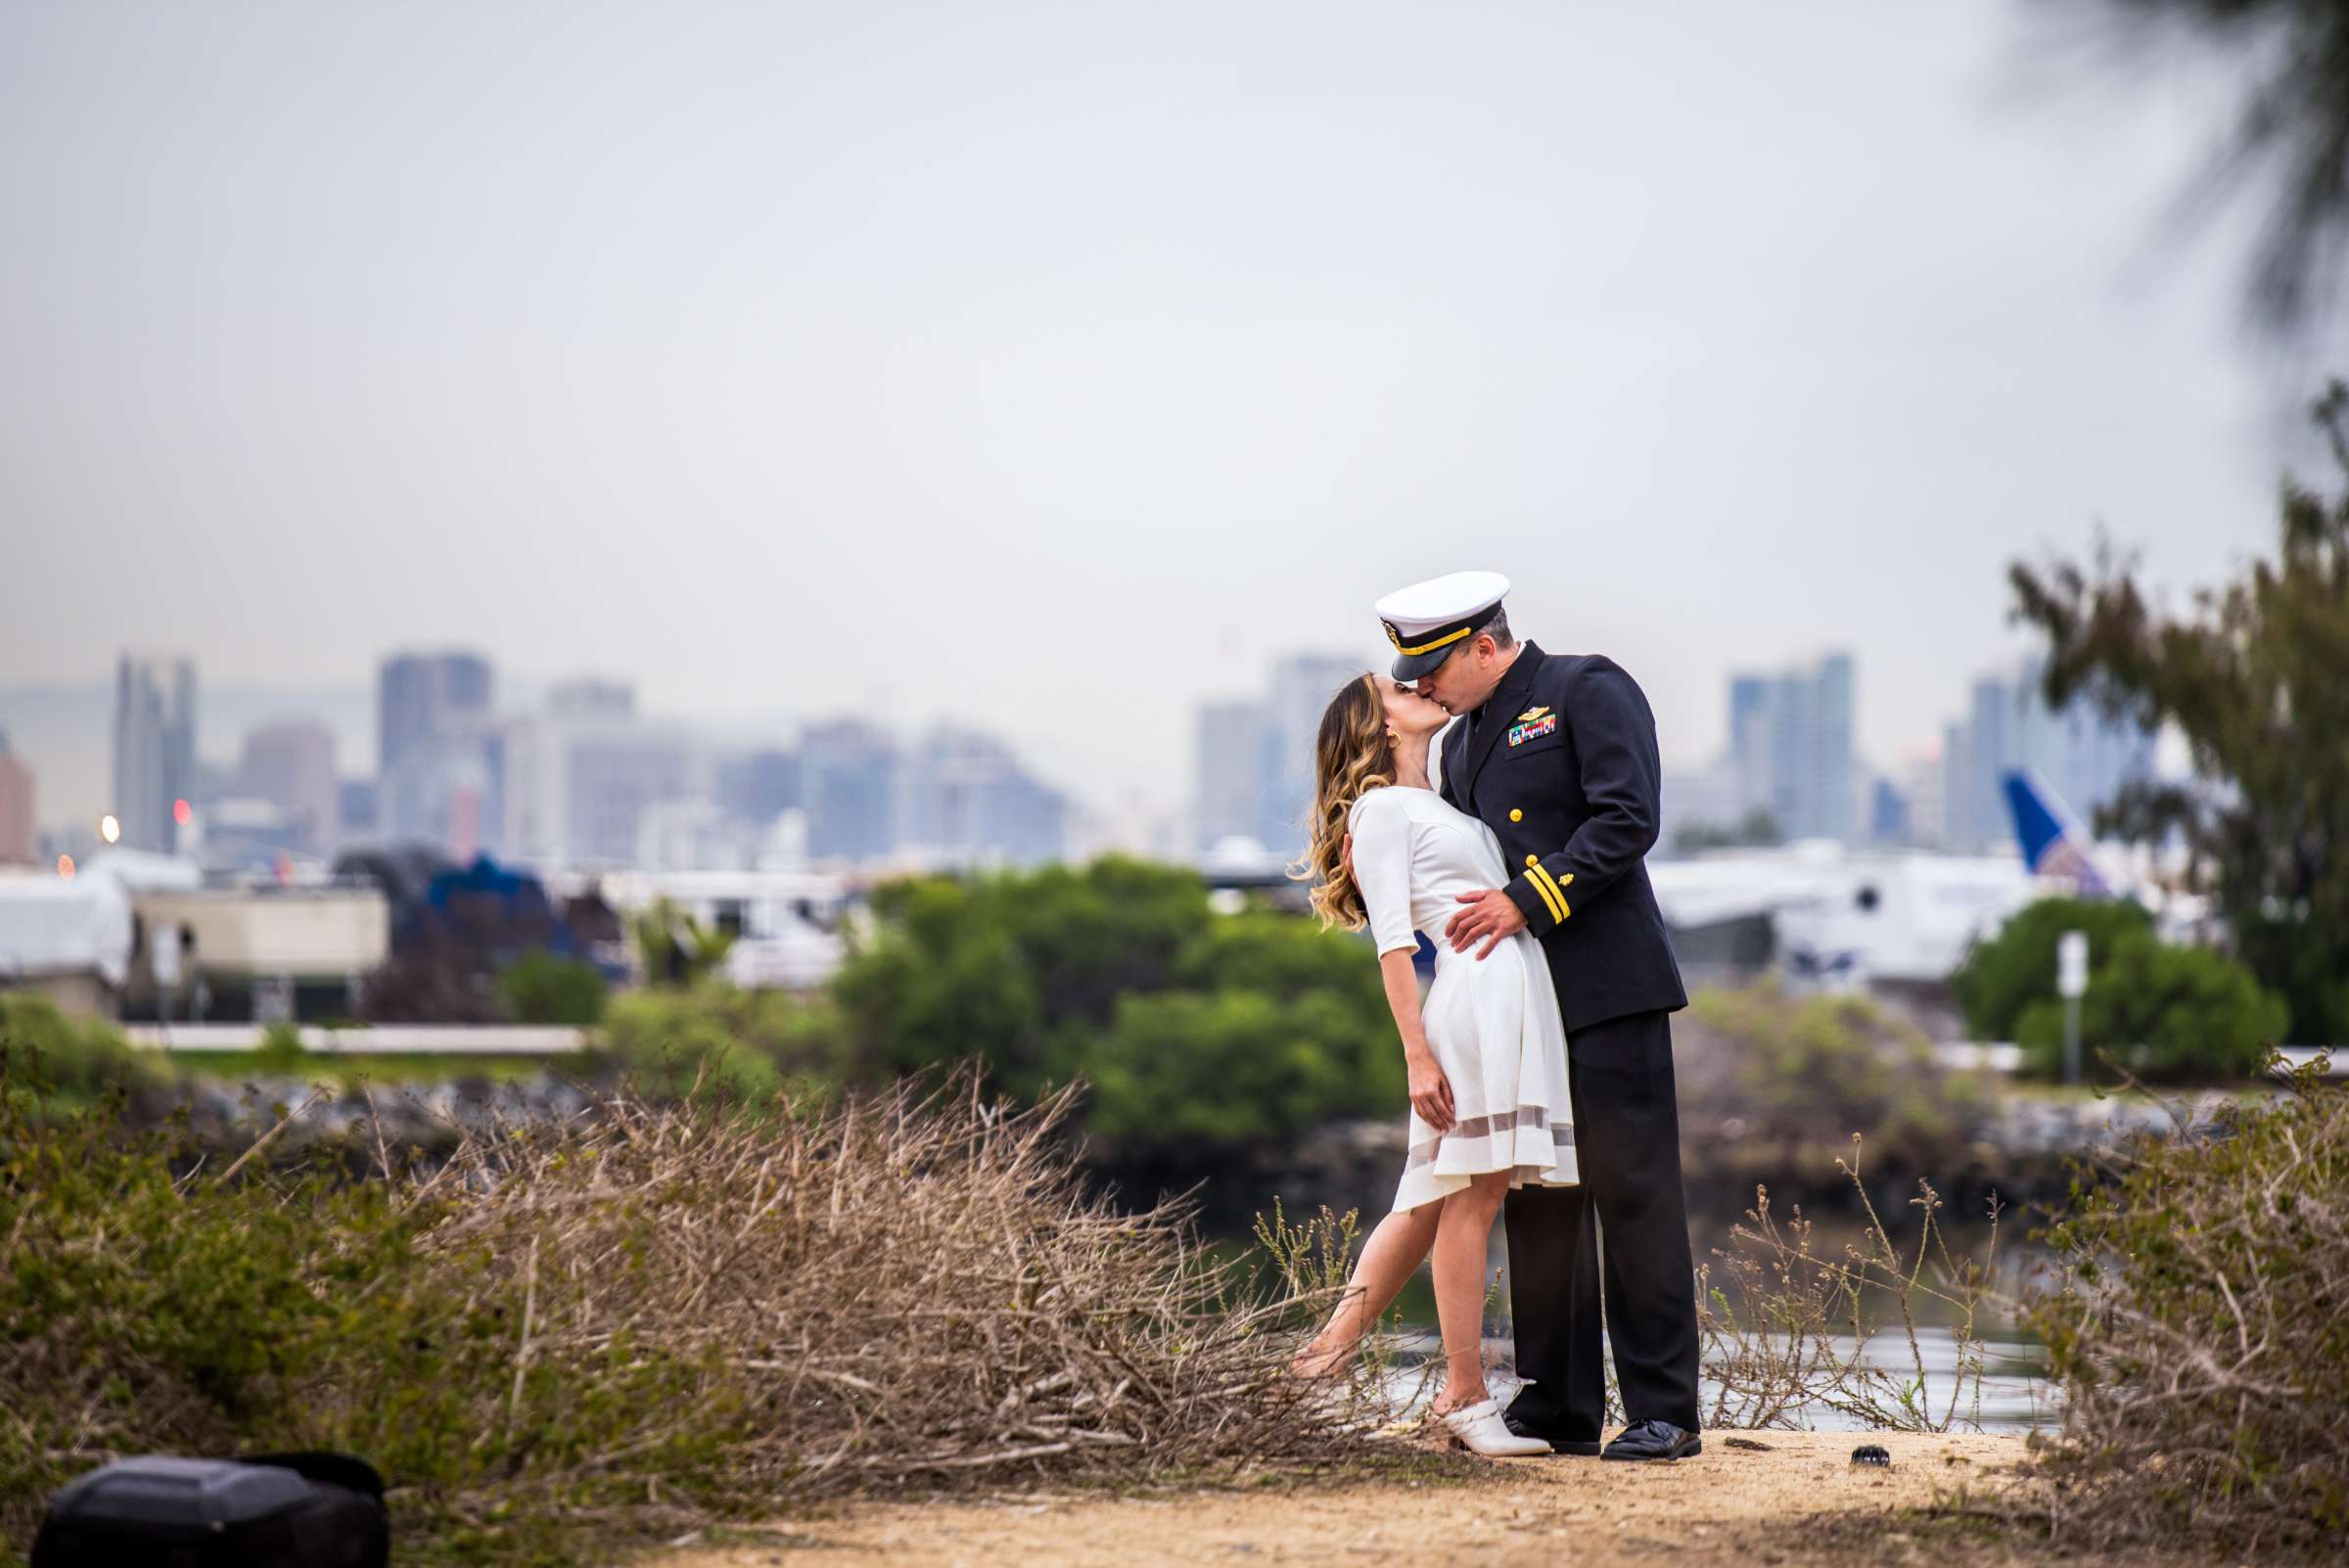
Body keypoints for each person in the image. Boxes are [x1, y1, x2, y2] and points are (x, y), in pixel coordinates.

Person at [1377, 569, 1702, 1463]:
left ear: (1485, 646)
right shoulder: (1461, 739)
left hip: (1605, 984)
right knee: (1542, 1204)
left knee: (1635, 1196)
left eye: (1434, 669)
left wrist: (1530, 896)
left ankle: (1664, 1412)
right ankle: (1559, 1403)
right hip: (1520, 1005)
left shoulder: (1585, 688)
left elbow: (1628, 817)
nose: (1423, 688)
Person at [1290, 670, 1579, 1457]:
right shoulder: (1381, 810)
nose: (1417, 681)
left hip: (1507, 995)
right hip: (1472, 1004)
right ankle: (1463, 1395)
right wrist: (1417, 1058)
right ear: (1378, 724)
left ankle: (1316, 1367)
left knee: (1424, 1202)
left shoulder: (1444, 801)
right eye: (1395, 683)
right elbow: (1393, 943)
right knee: (1471, 1198)